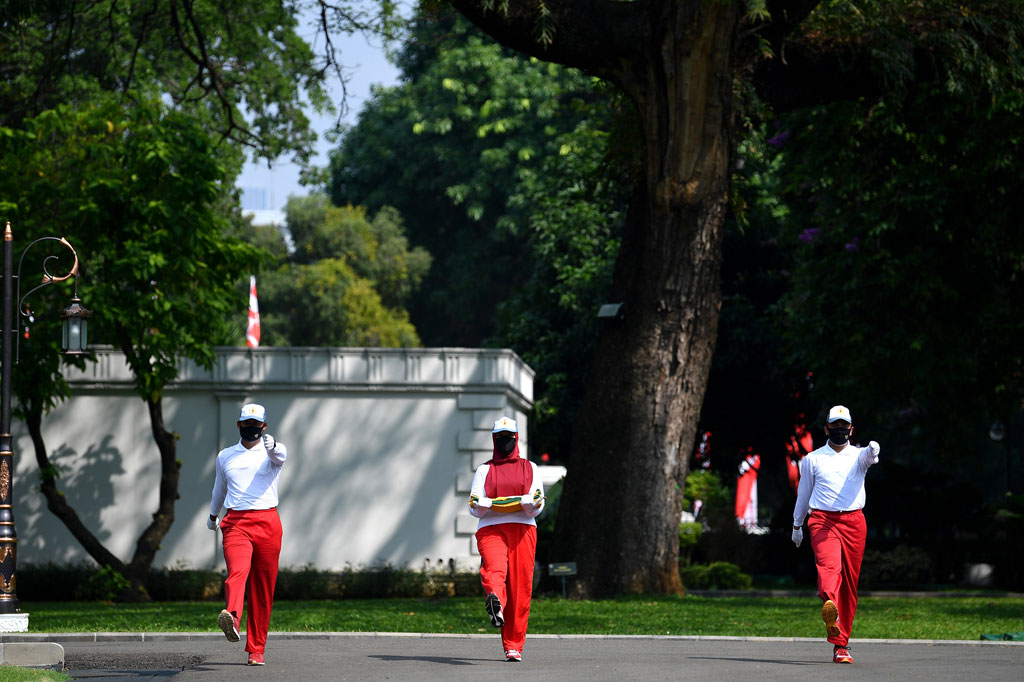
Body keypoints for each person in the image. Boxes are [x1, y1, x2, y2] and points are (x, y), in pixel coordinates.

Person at [791, 404, 879, 664]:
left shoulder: (859, 455)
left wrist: (873, 451)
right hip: (823, 521)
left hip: (854, 522)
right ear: (826, 428)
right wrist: (797, 525)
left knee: (850, 584)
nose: (840, 429)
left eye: (844, 425)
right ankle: (830, 606)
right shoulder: (813, 459)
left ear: (851, 429)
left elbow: (869, 458)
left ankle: (841, 646)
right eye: (835, 425)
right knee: (829, 567)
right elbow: (804, 493)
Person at [208, 403, 288, 666]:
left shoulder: (272, 452)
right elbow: (219, 488)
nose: (251, 427)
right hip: (236, 523)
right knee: (238, 571)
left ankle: (256, 650)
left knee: (262, 588)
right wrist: (213, 515)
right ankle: (231, 617)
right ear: (239, 425)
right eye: (246, 423)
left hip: (268, 521)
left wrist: (273, 446)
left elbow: (281, 455)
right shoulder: (225, 456)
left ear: (264, 426)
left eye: (256, 424)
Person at [468, 416, 545, 662]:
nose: (505, 441)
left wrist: (528, 503)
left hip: (523, 530)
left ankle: (513, 646)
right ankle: (496, 604)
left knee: (520, 587)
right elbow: (474, 506)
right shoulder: (484, 470)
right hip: (491, 529)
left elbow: (537, 504)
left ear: (516, 437)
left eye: (509, 437)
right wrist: (487, 505)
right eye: (500, 437)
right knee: (494, 569)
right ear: (494, 439)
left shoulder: (530, 467)